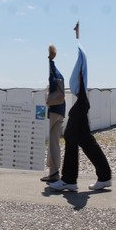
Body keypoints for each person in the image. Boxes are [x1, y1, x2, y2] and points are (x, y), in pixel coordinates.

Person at [48, 22, 113, 192]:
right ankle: (104, 176)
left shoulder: (81, 58)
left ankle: (69, 179)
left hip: (81, 101)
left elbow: (81, 68)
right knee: (85, 140)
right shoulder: (81, 59)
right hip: (82, 101)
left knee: (71, 136)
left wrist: (77, 37)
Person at [41, 44, 68, 183]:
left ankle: (54, 173)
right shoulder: (58, 73)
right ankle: (54, 171)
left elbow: (59, 94)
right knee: (55, 142)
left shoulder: (53, 72)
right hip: (61, 111)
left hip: (55, 110)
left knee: (52, 142)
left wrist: (49, 100)